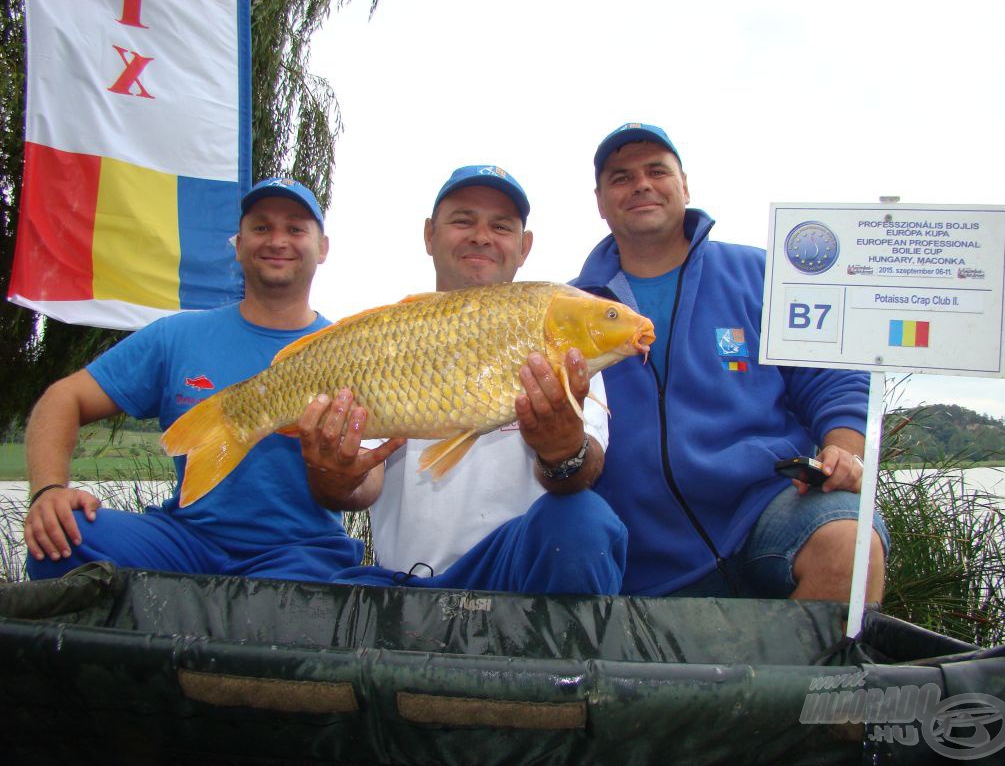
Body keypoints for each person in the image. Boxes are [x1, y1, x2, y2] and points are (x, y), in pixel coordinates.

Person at [22, 177, 402, 582]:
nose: (277, 240)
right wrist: (48, 491)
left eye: (295, 228)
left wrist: (345, 476)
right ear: (238, 245)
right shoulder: (175, 336)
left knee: (293, 609)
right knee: (58, 541)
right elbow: (63, 397)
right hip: (184, 540)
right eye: (261, 227)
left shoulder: (359, 348)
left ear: (322, 247)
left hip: (301, 549)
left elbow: (369, 483)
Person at [572, 123, 890, 601]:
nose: (641, 184)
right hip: (636, 551)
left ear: (684, 185)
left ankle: (804, 680)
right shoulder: (567, 308)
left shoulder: (762, 273)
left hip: (768, 510)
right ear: (599, 201)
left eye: (657, 170)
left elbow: (833, 377)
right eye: (620, 177)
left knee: (851, 542)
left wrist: (845, 451)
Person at [333, 165, 627, 595]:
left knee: (585, 519)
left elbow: (585, 469)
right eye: (463, 220)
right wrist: (335, 475)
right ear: (430, 235)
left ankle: (560, 660)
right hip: (408, 580)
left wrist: (562, 451)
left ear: (524, 246)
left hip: (516, 570)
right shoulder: (385, 341)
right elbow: (362, 480)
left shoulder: (563, 342)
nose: (481, 236)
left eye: (501, 226)